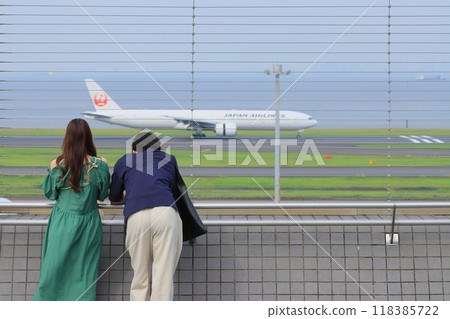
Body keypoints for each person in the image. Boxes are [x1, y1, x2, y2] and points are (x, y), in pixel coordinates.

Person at [33, 118, 110, 301]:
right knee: (85, 273)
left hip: (61, 222)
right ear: (88, 137)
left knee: (52, 271)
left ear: (67, 138)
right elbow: (102, 194)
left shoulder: (57, 164)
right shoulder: (100, 164)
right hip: (89, 222)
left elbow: (50, 194)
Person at [109, 131, 183, 301]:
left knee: (140, 272)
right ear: (159, 148)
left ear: (135, 151)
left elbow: (114, 198)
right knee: (163, 274)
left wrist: (133, 194)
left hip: (136, 214)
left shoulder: (124, 160)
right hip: (166, 213)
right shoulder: (169, 160)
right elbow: (171, 188)